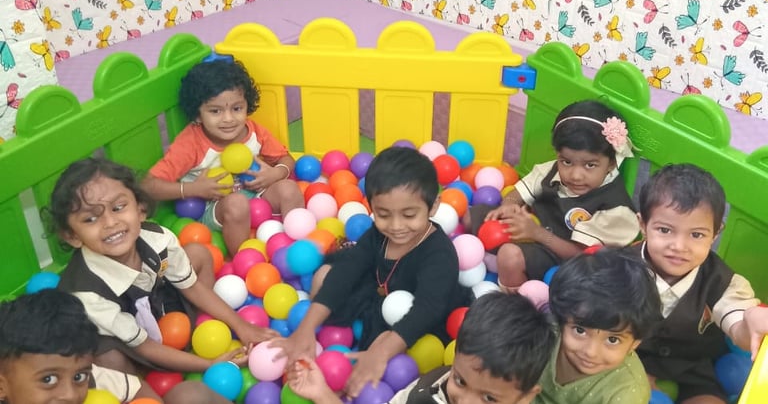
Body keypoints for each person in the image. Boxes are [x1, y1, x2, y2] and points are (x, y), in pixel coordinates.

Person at [272, 146, 474, 398]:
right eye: (383, 214)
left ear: (433, 206)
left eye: (409, 215)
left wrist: (381, 352)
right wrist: (306, 328)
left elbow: (427, 310)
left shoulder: (439, 254)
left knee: (391, 348)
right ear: (371, 206)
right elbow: (347, 271)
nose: (396, 226)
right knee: (325, 275)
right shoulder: (378, 235)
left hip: (422, 319)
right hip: (378, 293)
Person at [47, 157, 278, 375]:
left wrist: (241, 325)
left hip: (157, 306)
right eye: (90, 219)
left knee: (199, 253)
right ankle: (144, 384)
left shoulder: (157, 239)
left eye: (118, 208)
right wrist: (209, 365)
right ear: (72, 236)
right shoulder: (88, 294)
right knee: (108, 359)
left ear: (140, 209)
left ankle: (198, 327)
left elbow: (193, 287)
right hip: (127, 342)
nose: (110, 223)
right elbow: (145, 347)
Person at [468, 99, 639, 292]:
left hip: (562, 259)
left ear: (611, 163)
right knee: (471, 215)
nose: (575, 175)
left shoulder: (616, 208)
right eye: (566, 162)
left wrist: (537, 234)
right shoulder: (552, 170)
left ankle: (515, 303)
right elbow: (520, 191)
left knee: (509, 256)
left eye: (590, 165)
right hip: (531, 228)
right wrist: (509, 204)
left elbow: (583, 256)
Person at [632, 163, 768, 403]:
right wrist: (629, 371)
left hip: (694, 367)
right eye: (665, 230)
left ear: (716, 233)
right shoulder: (616, 268)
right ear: (643, 225)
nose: (679, 246)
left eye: (696, 235)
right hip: (627, 360)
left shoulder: (723, 282)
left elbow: (738, 330)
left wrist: (751, 321)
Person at [141, 58, 304, 256]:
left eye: (236, 108)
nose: (228, 119)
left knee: (289, 188)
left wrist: (275, 174)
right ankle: (245, 260)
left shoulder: (253, 132)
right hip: (212, 207)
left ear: (247, 105)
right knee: (237, 203)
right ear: (197, 114)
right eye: (215, 111)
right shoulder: (191, 143)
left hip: (257, 196)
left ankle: (299, 247)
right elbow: (148, 185)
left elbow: (286, 159)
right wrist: (195, 189)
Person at [286, 292, 557, 404]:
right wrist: (322, 394)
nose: (465, 402)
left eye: (489, 399)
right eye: (460, 381)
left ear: (525, 398)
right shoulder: (426, 397)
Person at [0, 289, 229, 404]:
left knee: (190, 394)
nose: (70, 394)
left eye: (79, 376)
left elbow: (136, 388)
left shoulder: (91, 379)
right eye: (48, 379)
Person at [535, 248, 662, 403]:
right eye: (580, 331)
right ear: (561, 321)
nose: (591, 352)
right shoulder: (543, 335)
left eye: (613, 339)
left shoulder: (626, 392)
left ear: (635, 343)